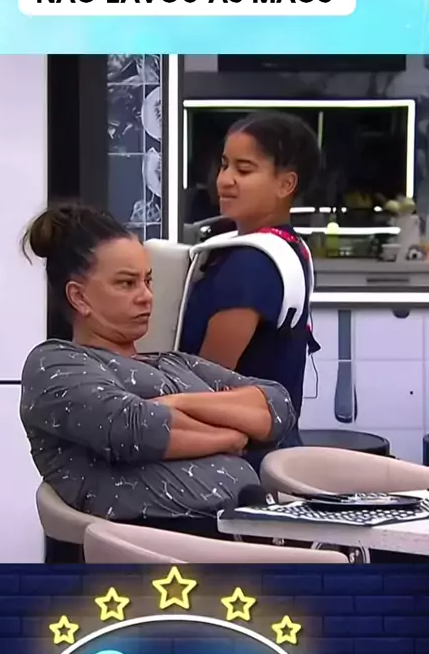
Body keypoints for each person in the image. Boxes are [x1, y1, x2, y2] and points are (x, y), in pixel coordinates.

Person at [20, 202, 296, 537]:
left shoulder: (173, 362)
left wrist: (178, 403)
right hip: (162, 547)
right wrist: (233, 435)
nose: (146, 296)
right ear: (79, 298)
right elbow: (134, 428)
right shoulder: (56, 363)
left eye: (147, 281)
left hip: (248, 533)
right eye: (127, 284)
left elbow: (277, 406)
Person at [180, 112, 322, 453]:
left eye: (244, 170)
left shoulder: (252, 263)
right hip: (272, 448)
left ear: (286, 184)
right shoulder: (288, 246)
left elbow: (206, 383)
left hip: (236, 458)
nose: (225, 180)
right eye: (224, 165)